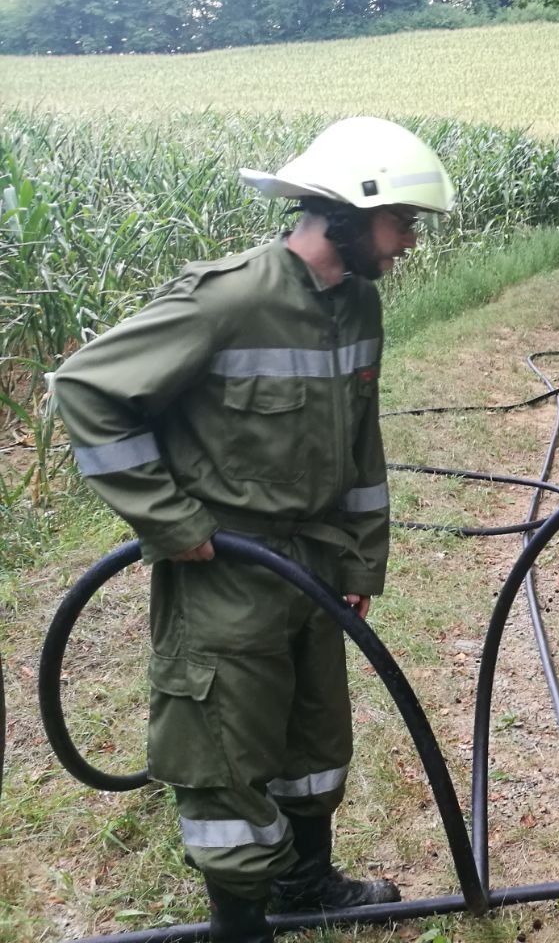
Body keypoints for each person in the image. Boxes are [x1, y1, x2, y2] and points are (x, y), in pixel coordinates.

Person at [50, 117, 455, 942]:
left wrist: (359, 564)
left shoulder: (359, 303)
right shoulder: (229, 298)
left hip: (315, 566)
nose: (410, 241)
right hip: (225, 570)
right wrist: (169, 519)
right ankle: (240, 921)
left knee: (315, 740)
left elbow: (361, 448)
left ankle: (307, 884)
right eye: (402, 221)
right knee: (223, 755)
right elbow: (86, 390)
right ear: (349, 212)